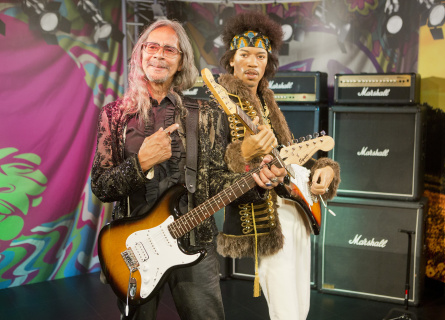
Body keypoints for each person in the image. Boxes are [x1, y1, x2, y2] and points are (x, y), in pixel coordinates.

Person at [90, 19, 286, 320]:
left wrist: (258, 183)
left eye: (170, 49)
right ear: (140, 54)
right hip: (134, 247)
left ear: (181, 61)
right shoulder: (115, 115)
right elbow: (101, 187)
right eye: (152, 46)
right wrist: (141, 163)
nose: (159, 55)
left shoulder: (204, 114)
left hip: (196, 241)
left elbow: (219, 181)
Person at [215, 12, 341, 320]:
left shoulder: (267, 101)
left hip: (296, 207)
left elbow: (290, 153)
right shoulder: (221, 106)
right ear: (232, 60)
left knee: (300, 305)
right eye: (244, 54)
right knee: (285, 307)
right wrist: (242, 153)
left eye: (260, 56)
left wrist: (324, 169)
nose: (252, 62)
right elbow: (215, 170)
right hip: (265, 219)